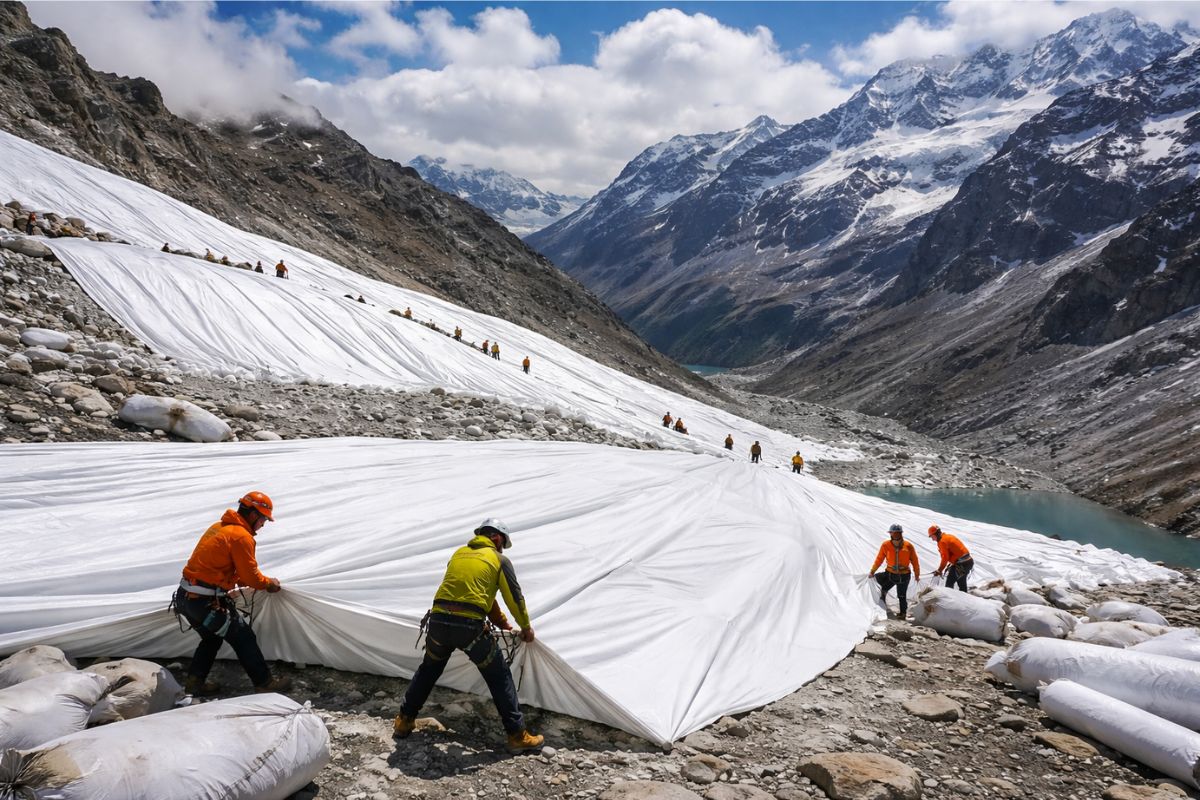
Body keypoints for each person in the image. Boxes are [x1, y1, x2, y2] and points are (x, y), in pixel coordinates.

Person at [394, 519, 543, 754]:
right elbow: (514, 598)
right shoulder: (499, 560)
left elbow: (479, 595)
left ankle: (404, 720)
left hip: (438, 623)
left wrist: (503, 623)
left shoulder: (459, 554)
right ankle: (517, 736)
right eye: (502, 543)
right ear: (496, 538)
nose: (502, 549)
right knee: (499, 676)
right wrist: (525, 628)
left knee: (429, 669)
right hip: (468, 628)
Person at [173, 492, 289, 696]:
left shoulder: (218, 528)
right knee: (243, 637)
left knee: (211, 639)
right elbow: (251, 577)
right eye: (263, 519)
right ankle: (264, 683)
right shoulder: (241, 537)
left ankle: (194, 684)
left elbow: (222, 569)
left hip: (185, 599)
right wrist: (269, 584)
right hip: (204, 602)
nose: (263, 525)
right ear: (253, 515)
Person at [869, 524, 920, 619]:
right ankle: (882, 606)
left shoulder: (908, 546)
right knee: (880, 586)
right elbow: (879, 559)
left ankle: (902, 614)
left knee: (901, 595)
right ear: (891, 534)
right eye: (894, 533)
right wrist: (872, 571)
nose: (895, 535)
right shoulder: (886, 545)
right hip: (890, 574)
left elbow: (915, 561)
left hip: (903, 575)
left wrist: (917, 574)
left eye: (897, 533)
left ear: (900, 534)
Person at [929, 525, 973, 592]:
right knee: (961, 582)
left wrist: (939, 570)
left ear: (936, 534)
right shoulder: (948, 536)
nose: (932, 539)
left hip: (961, 565)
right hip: (968, 562)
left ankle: (951, 600)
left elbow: (945, 558)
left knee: (950, 583)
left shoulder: (942, 542)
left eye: (932, 536)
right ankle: (964, 599)